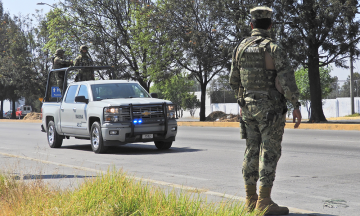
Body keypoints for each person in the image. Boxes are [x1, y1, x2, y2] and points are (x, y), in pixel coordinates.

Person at [229, 6, 302, 215]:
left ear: (252, 25)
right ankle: (264, 201)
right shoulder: (273, 48)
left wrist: (243, 102)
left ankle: (250, 200)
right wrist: (296, 105)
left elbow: (234, 81)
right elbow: (287, 81)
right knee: (269, 152)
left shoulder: (240, 48)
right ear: (270, 25)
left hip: (248, 108)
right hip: (270, 109)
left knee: (251, 150)